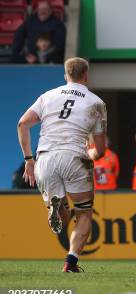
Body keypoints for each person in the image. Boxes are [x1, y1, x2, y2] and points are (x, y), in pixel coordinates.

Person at [17, 57, 106, 273]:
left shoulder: (48, 96)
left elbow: (22, 124)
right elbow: (100, 150)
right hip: (75, 156)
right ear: (86, 75)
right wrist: (91, 152)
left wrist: (29, 160)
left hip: (45, 158)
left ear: (66, 75)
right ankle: (71, 262)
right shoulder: (96, 103)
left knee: (63, 216)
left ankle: (57, 206)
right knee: (84, 213)